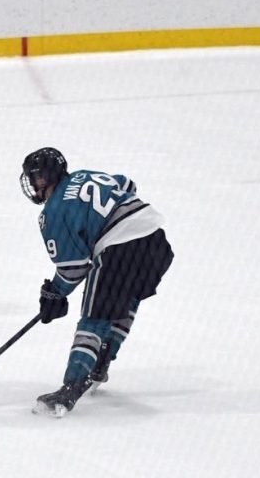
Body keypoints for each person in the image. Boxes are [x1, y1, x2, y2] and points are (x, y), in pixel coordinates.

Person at [20, 147, 174, 417]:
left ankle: (72, 386)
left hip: (120, 247)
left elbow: (74, 267)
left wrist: (55, 293)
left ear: (47, 177)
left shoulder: (53, 212)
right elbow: (126, 183)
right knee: (124, 301)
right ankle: (99, 364)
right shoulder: (84, 175)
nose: (33, 183)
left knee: (95, 317)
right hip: (156, 241)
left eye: (37, 177)